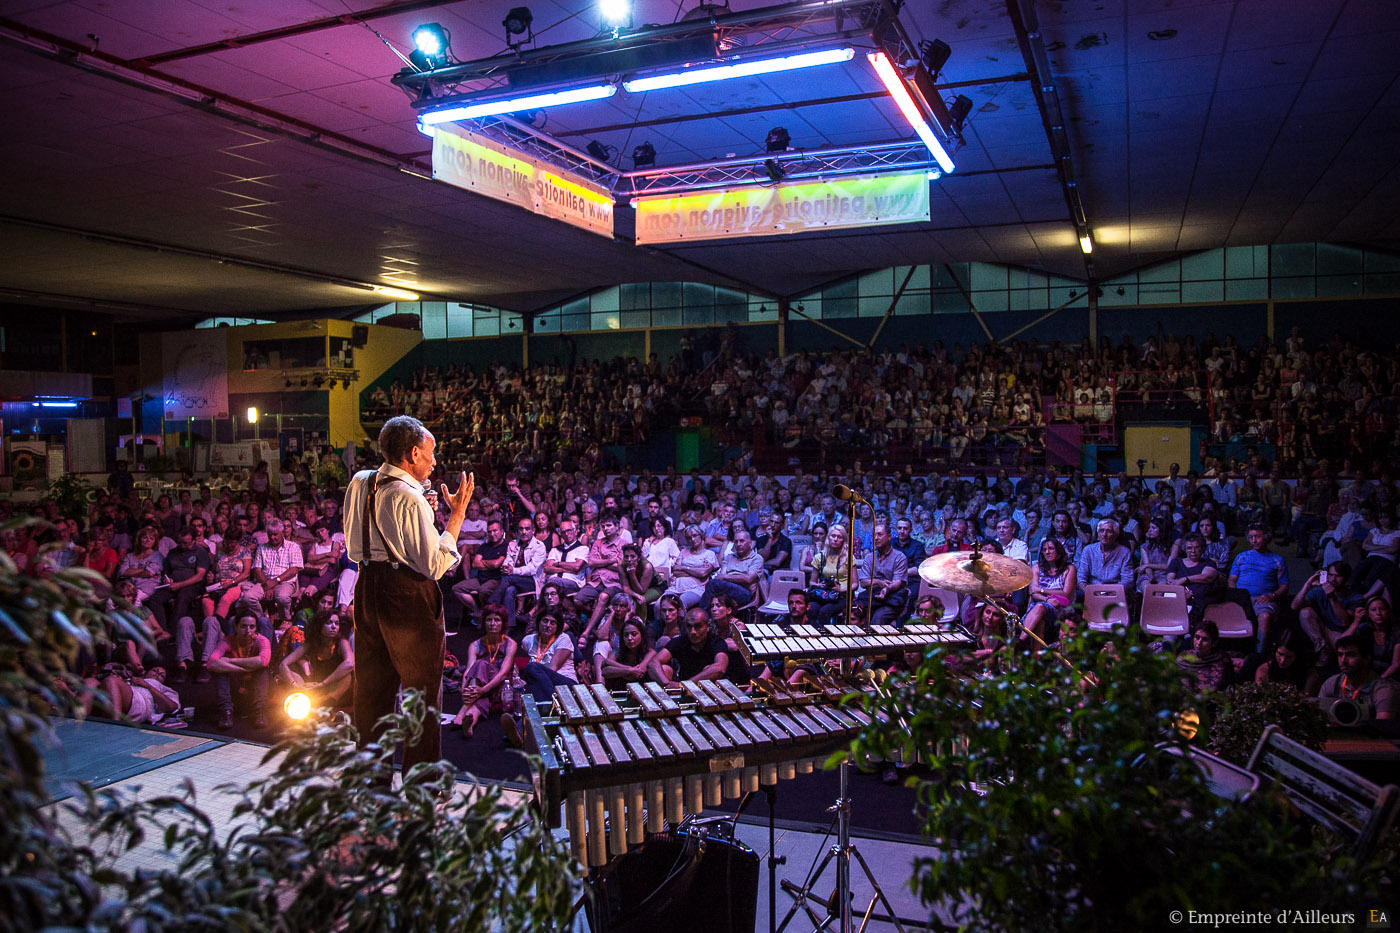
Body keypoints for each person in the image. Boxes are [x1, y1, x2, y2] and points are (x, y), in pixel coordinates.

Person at [343, 415, 474, 773]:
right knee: (422, 695)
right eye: (431, 454)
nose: (435, 461)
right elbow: (435, 564)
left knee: (371, 694)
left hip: (366, 588)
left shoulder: (359, 481)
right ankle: (421, 785)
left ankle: (371, 782)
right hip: (406, 594)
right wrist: (455, 517)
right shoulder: (409, 499)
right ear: (413, 453)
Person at [451, 606, 518, 738]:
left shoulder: (510, 644)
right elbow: (469, 671)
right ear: (484, 622)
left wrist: (482, 690)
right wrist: (464, 689)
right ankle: (469, 726)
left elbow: (503, 674)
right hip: (479, 688)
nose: (493, 624)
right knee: (480, 701)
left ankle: (462, 710)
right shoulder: (475, 645)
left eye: (497, 620)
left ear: (503, 623)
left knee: (481, 664)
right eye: (489, 620)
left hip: (500, 687)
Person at [206, 612, 272, 731]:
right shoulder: (227, 641)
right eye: (243, 626)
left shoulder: (262, 640)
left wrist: (230, 660)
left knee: (262, 669)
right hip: (235, 688)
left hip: (256, 688)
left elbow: (263, 661)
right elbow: (211, 663)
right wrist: (242, 668)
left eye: (252, 627)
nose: (248, 631)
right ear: (236, 627)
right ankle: (226, 711)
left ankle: (260, 711)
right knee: (220, 671)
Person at [1228, 524, 1289, 652]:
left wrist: (1271, 596)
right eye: (1251, 537)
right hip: (1242, 597)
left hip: (1263, 599)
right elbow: (1232, 580)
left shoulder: (1277, 560)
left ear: (1266, 537)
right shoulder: (1241, 557)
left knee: (1264, 616)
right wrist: (1235, 595)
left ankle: (1259, 652)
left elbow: (1284, 586)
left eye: (1257, 537)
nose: (1254, 540)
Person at [277, 609, 355, 708]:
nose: (333, 627)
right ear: (319, 625)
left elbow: (350, 664)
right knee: (290, 672)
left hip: (335, 686)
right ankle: (305, 701)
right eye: (328, 623)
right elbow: (284, 664)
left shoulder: (342, 643)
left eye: (337, 623)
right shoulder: (310, 644)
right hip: (317, 683)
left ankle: (326, 704)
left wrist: (323, 684)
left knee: (346, 676)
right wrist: (295, 685)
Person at [1318, 635, 1397, 723]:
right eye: (1340, 655)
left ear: (1367, 658)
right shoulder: (1331, 683)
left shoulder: (1383, 690)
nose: (1343, 660)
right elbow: (1319, 719)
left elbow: (1384, 728)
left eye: (1350, 655)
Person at [648, 607, 728, 685]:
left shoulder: (717, 642)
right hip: (683, 685)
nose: (693, 632)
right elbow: (653, 662)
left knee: (709, 668)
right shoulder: (681, 641)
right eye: (689, 626)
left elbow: (720, 668)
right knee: (664, 669)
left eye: (698, 626)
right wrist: (666, 683)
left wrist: (686, 685)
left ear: (707, 627)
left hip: (707, 687)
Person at [1021, 537, 1076, 647]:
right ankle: (1032, 653)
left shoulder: (1069, 569)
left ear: (1059, 551)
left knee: (1040, 608)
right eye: (1044, 549)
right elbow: (1033, 592)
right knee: (1040, 614)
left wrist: (1042, 590)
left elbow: (1066, 593)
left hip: (1060, 609)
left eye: (1051, 548)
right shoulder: (1036, 567)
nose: (1047, 552)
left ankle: (1020, 640)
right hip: (1040, 606)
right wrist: (1047, 599)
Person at [855, 523, 910, 628]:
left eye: (880, 535)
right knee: (856, 613)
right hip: (873, 597)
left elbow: (897, 583)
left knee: (878, 619)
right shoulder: (869, 557)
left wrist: (887, 589)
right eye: (874, 535)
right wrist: (879, 583)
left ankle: (876, 643)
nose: (876, 538)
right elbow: (864, 582)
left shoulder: (899, 557)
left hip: (892, 598)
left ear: (889, 537)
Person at [498, 517, 546, 632]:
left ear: (533, 531)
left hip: (531, 581)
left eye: (527, 529)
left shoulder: (539, 546)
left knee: (507, 578)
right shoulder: (513, 544)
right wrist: (506, 567)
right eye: (521, 529)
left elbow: (532, 569)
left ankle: (492, 603)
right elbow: (508, 560)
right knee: (509, 590)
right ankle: (510, 626)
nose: (523, 532)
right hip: (513, 579)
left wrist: (512, 571)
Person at [662, 524, 719, 610]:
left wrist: (684, 567)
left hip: (695, 589)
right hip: (676, 587)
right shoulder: (684, 551)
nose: (692, 539)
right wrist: (696, 571)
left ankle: (680, 623)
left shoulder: (709, 554)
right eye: (689, 538)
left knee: (679, 603)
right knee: (659, 604)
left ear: (701, 535)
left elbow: (703, 573)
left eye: (695, 535)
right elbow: (676, 571)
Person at [595, 617, 655, 690]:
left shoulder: (650, 652)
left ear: (642, 635)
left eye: (634, 634)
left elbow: (639, 673)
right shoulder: (616, 652)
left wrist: (616, 669)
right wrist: (628, 670)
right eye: (626, 635)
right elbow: (605, 672)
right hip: (620, 690)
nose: (629, 638)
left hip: (642, 689)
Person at [1177, 621, 1234, 695]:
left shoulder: (1222, 660)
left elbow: (1221, 685)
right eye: (1197, 637)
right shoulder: (1184, 657)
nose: (1199, 643)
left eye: (1205, 639)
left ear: (1213, 643)